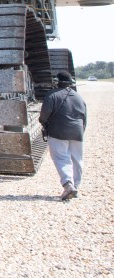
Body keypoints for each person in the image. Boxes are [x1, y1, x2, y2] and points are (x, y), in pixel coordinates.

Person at [39, 72, 87, 201]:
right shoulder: (78, 96)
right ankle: (76, 186)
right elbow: (84, 117)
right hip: (77, 132)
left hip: (57, 132)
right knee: (77, 159)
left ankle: (68, 184)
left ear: (56, 81)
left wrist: (43, 122)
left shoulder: (52, 95)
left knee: (61, 158)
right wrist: (80, 132)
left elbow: (44, 115)